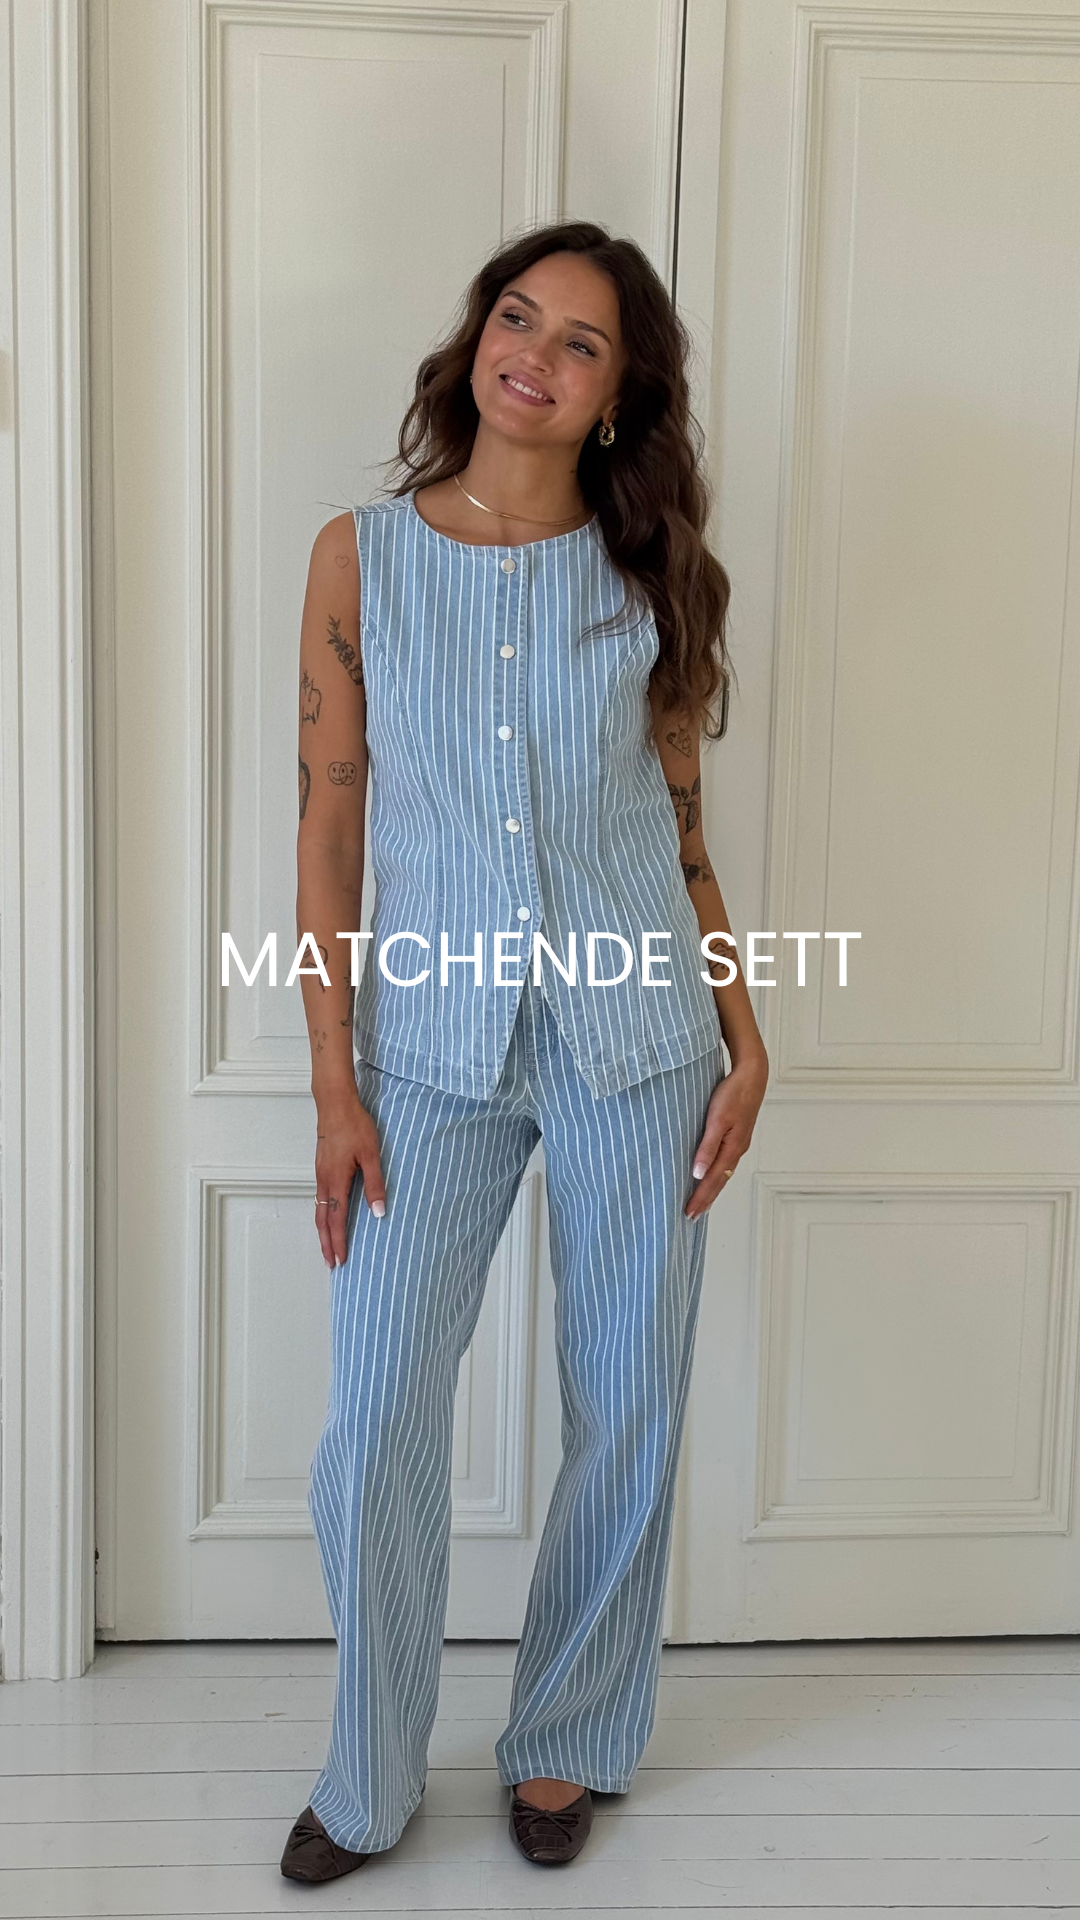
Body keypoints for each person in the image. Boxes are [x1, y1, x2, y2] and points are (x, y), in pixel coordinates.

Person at [282, 220, 768, 1883]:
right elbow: (329, 832)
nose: (536, 356)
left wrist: (744, 1032)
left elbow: (683, 834)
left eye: (581, 342)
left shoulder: (649, 582)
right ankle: (368, 1775)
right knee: (375, 1423)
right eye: (517, 317)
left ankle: (567, 1737)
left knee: (627, 1402)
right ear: (476, 337)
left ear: (618, 396)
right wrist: (333, 1083)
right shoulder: (360, 558)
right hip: (424, 1046)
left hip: (641, 1036)